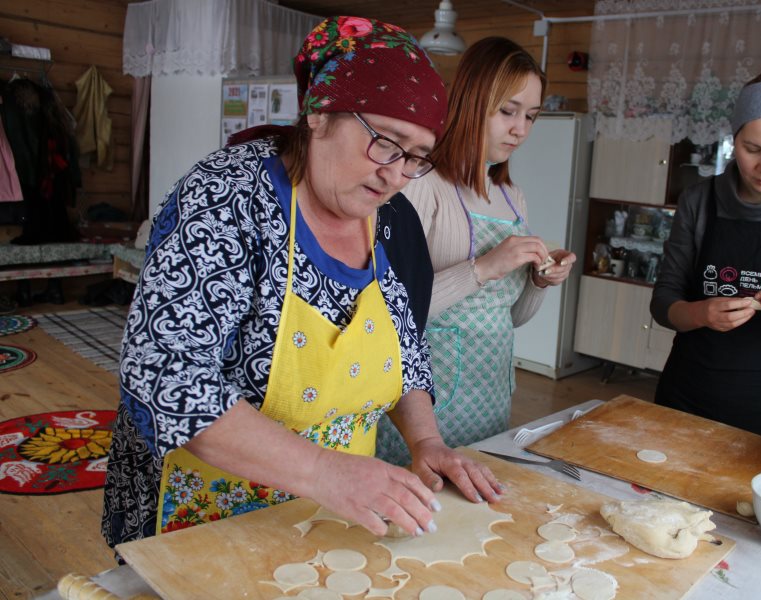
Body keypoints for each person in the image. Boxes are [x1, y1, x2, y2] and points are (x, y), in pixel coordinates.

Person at [101, 16, 502, 549]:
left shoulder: (390, 218)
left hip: (328, 516)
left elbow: (404, 347)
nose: (393, 173)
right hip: (198, 514)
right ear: (318, 114)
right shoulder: (229, 197)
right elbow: (165, 374)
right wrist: (322, 471)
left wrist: (426, 440)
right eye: (385, 141)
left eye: (416, 157)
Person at [377, 37, 576, 465]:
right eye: (507, 111)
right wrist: (484, 267)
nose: (520, 129)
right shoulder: (420, 185)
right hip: (427, 399)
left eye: (531, 116)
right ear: (471, 102)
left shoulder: (511, 196)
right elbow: (388, 312)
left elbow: (512, 317)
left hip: (490, 395)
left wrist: (540, 281)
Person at [651, 70, 761, 442]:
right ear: (734, 140)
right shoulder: (699, 200)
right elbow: (663, 301)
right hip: (688, 397)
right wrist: (701, 313)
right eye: (752, 150)